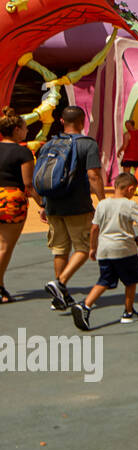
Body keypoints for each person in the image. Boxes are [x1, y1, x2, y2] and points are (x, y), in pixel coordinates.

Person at [34, 105, 104, 311]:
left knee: (60, 250)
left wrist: (43, 204)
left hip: (53, 203)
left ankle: (59, 297)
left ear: (62, 122)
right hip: (77, 205)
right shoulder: (87, 144)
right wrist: (104, 201)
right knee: (83, 248)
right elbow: (94, 175)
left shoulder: (50, 143)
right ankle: (60, 283)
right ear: (83, 122)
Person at [69, 172, 138, 330]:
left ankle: (85, 306)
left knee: (105, 280)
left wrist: (93, 247)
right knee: (131, 281)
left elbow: (94, 228)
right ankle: (128, 312)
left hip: (104, 250)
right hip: (124, 250)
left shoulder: (102, 204)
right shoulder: (130, 205)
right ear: (130, 189)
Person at [0, 108, 35, 304]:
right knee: (5, 246)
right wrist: (42, 203)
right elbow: (28, 183)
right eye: (24, 128)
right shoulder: (22, 152)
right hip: (10, 200)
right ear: (15, 130)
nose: (26, 132)